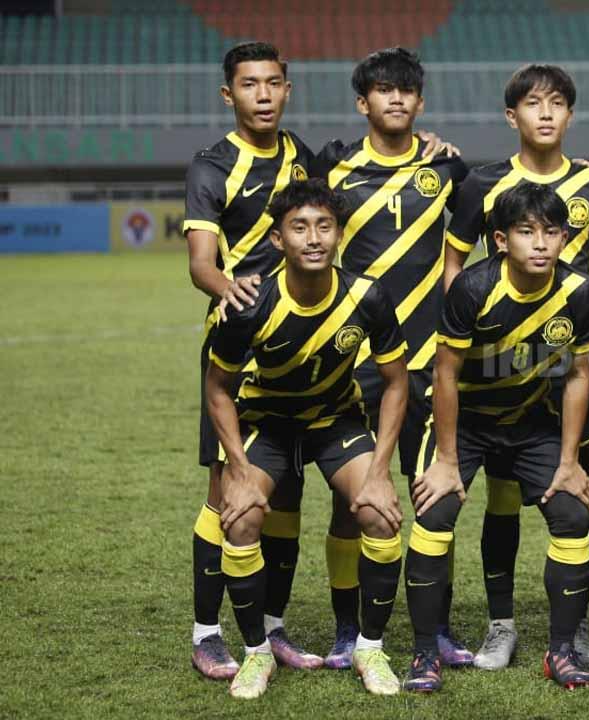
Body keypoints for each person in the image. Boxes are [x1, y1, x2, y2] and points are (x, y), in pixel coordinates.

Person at [442, 63, 589, 670]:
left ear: (570, 114)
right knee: (498, 500)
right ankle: (501, 623)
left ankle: (575, 625)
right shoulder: (481, 184)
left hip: (566, 373)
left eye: (558, 104)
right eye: (533, 104)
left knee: (576, 497)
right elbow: (453, 274)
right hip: (491, 378)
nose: (546, 114)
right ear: (511, 115)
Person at [205, 179, 410, 698]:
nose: (313, 238)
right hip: (268, 424)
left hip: (334, 422)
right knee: (243, 516)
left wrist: (381, 472)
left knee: (382, 514)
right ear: (278, 239)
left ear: (340, 233)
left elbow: (396, 382)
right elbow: (217, 388)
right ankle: (256, 654)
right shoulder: (250, 300)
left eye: (324, 226)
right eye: (299, 228)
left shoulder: (368, 295)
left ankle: (369, 646)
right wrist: (237, 468)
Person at [405, 182, 589, 691]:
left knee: (573, 513)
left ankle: (560, 651)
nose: (540, 244)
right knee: (435, 511)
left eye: (551, 233)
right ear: (499, 239)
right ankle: (424, 654)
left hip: (530, 418)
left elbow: (580, 374)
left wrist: (569, 460)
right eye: (526, 232)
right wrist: (446, 459)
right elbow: (445, 374)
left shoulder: (580, 291)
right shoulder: (472, 289)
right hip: (465, 420)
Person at [313, 46, 470, 667]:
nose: (396, 98)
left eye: (406, 90)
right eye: (383, 89)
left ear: (421, 102)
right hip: (356, 365)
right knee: (349, 502)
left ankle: (435, 630)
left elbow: (517, 202)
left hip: (432, 361)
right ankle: (346, 628)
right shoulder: (332, 167)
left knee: (434, 498)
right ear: (363, 103)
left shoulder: (449, 169)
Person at [182, 40, 322, 679]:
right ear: (229, 94)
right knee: (227, 495)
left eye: (272, 83)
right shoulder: (212, 166)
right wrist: (231, 291)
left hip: (298, 352)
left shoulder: (302, 157)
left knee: (285, 496)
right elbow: (201, 264)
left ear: (287, 89)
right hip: (237, 351)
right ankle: (207, 633)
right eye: (249, 84)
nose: (262, 94)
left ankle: (272, 629)